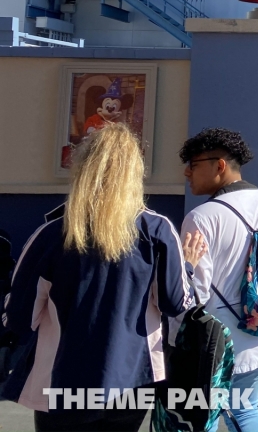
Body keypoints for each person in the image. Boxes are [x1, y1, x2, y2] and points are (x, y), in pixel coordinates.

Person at [1, 123, 206, 432]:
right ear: (135, 173)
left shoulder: (51, 235)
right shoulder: (157, 230)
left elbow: (18, 318)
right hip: (132, 379)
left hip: (62, 380)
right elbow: (176, 303)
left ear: (83, 169)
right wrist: (187, 267)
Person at [179, 128, 258, 432]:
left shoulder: (201, 217)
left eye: (193, 165)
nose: (186, 172)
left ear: (219, 165)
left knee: (204, 419)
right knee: (244, 410)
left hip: (218, 344)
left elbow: (194, 292)